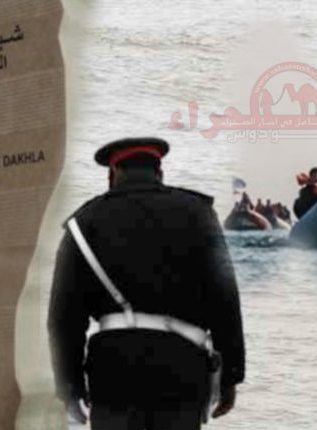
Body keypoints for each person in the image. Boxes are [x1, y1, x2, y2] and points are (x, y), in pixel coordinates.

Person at [48, 137, 245, 430]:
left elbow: (64, 317)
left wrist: (70, 385)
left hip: (113, 373)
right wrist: (230, 376)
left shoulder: (83, 223)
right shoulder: (199, 214)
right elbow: (225, 298)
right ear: (159, 173)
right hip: (181, 369)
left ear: (113, 174)